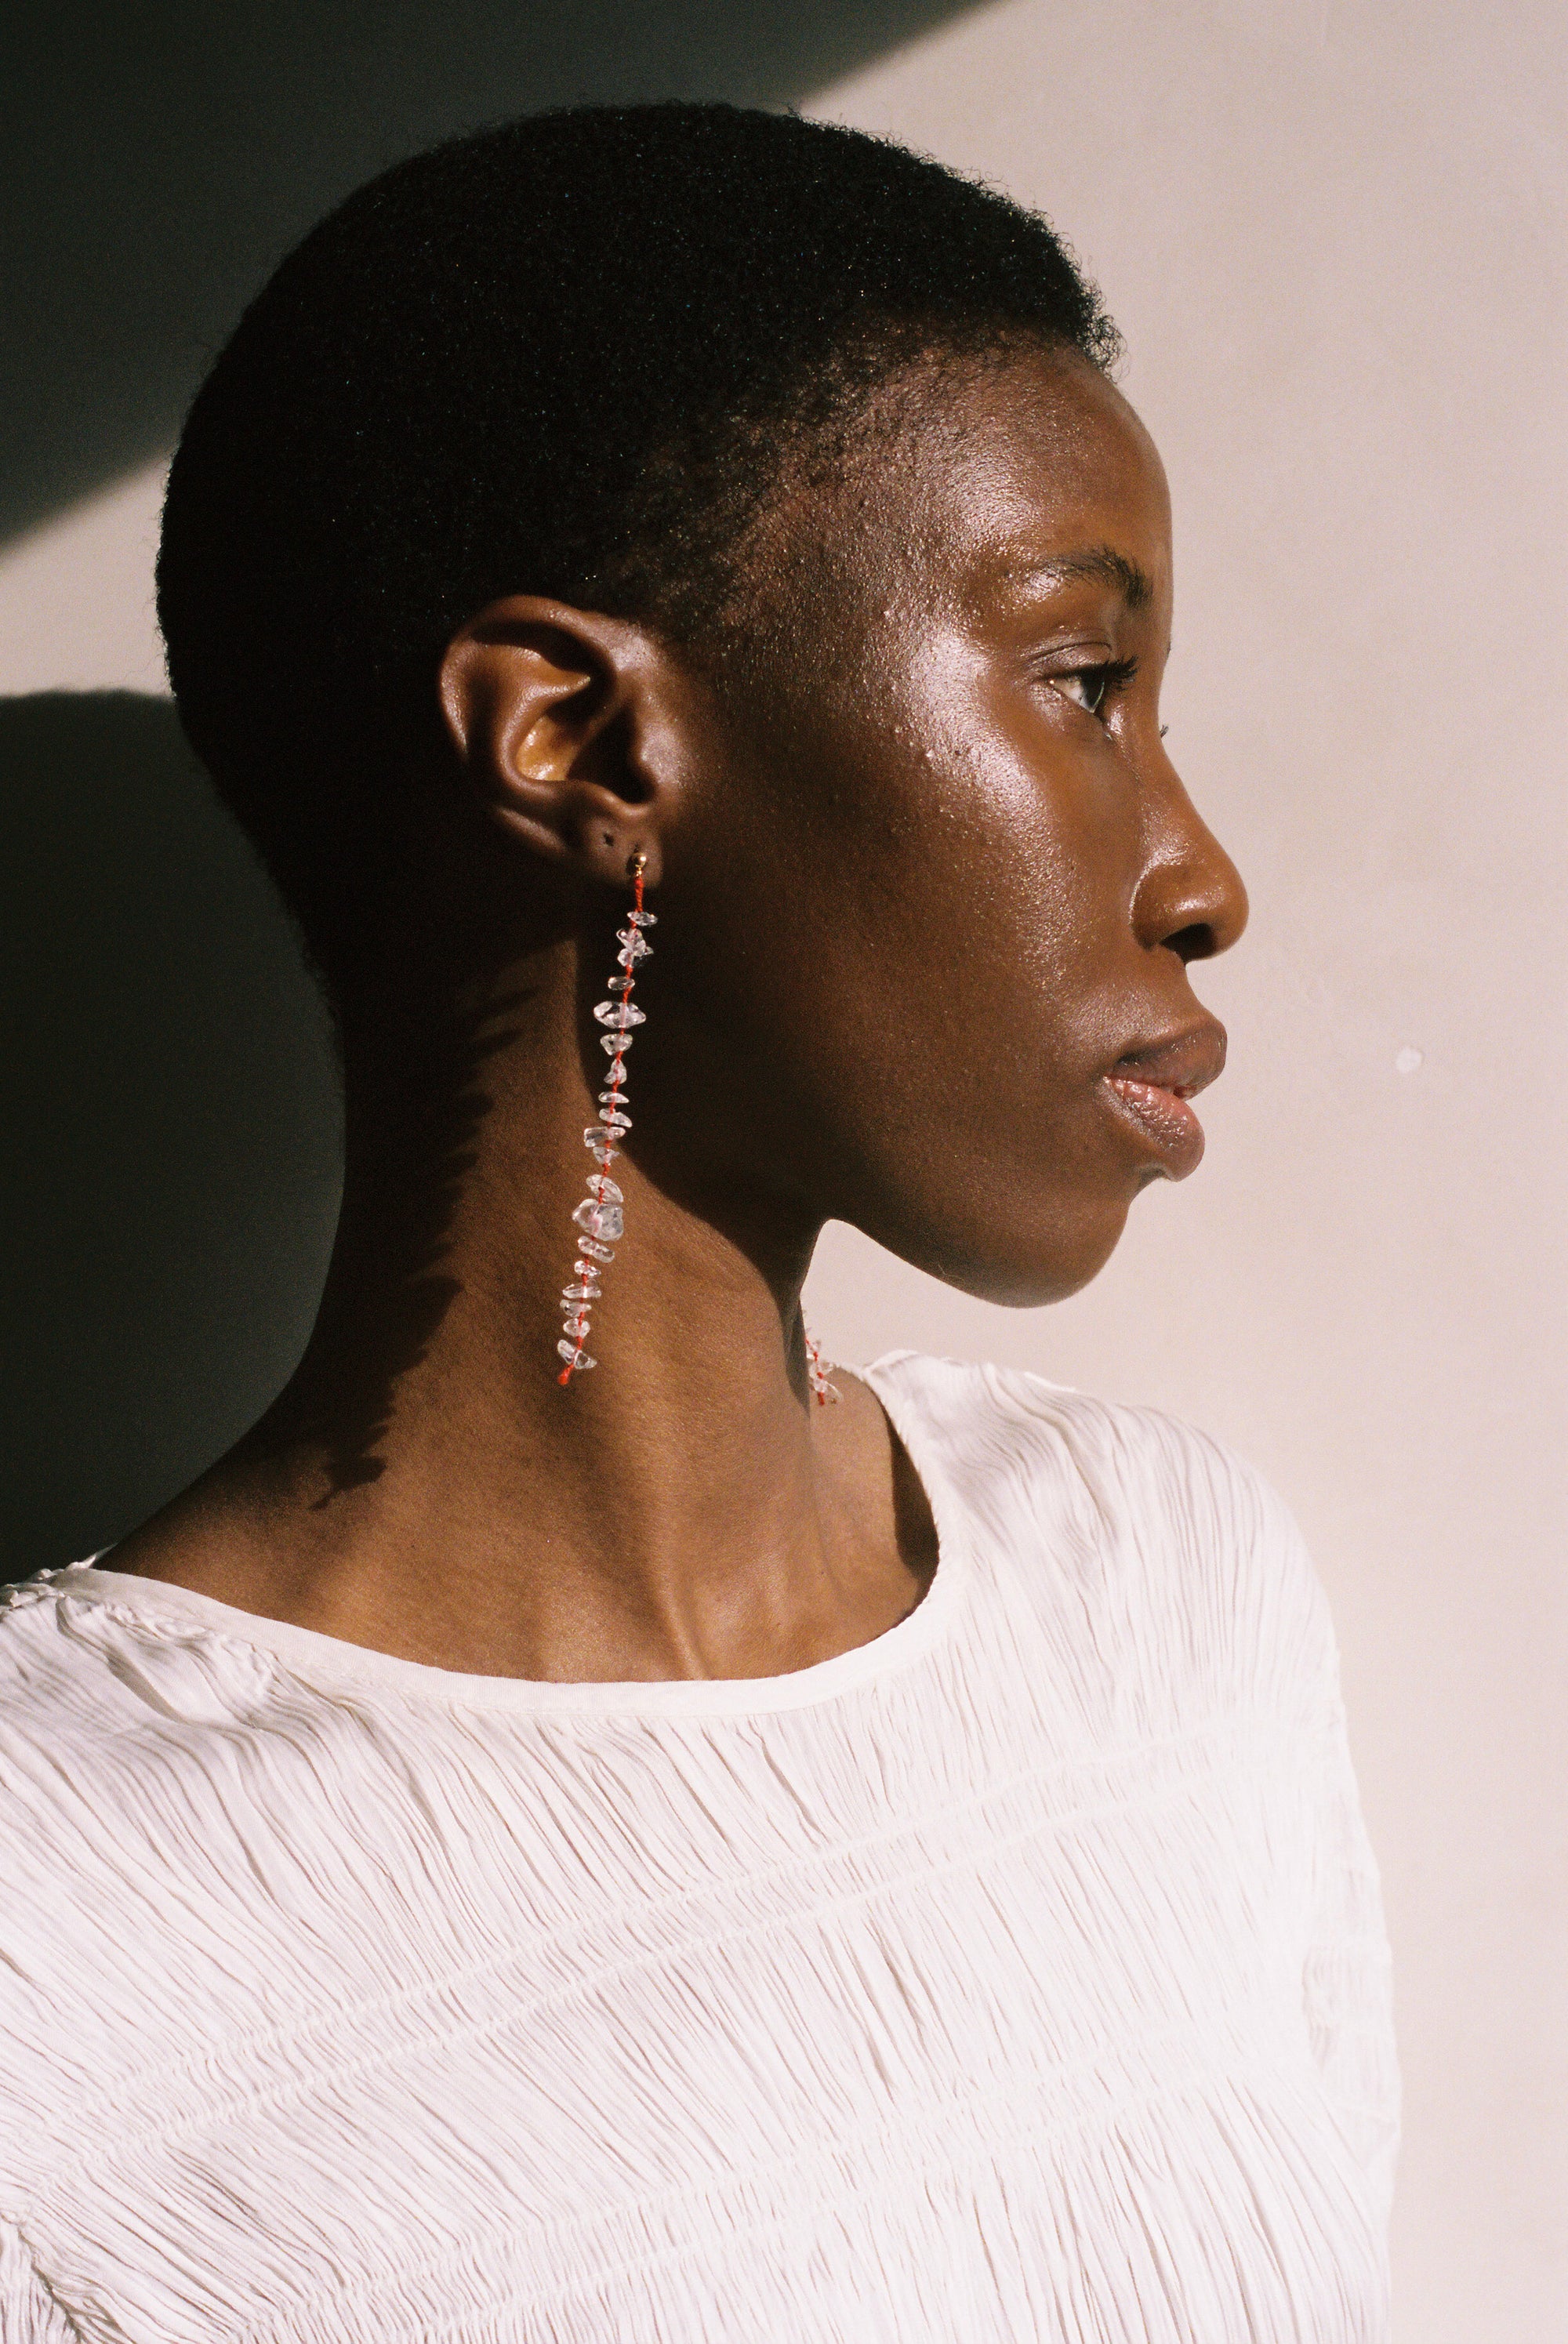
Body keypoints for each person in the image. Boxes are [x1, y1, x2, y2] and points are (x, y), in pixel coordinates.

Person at [0, 103, 1397, 2342]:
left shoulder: (1168, 1598)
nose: (1199, 876)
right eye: (1085, 682)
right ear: (578, 740)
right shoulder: (56, 1939)